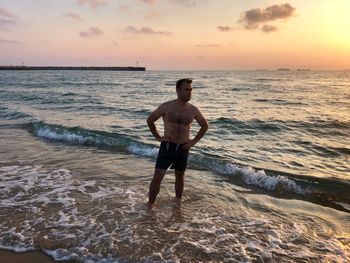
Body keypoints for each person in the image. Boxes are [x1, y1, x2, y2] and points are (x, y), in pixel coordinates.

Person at [147, 78, 208, 209]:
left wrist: (194, 141)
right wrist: (158, 137)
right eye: (186, 89)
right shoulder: (166, 106)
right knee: (158, 176)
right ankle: (150, 205)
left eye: (191, 90)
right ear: (178, 90)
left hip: (183, 148)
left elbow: (204, 126)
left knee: (180, 176)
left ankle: (178, 203)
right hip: (167, 146)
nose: (190, 92)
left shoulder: (193, 110)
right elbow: (150, 121)